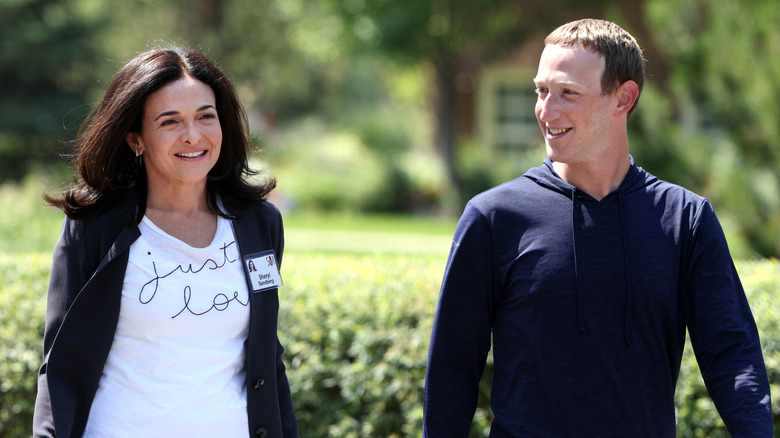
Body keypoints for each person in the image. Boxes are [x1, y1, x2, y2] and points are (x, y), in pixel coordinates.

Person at [423, 18, 771, 437]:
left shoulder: (685, 219)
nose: (546, 111)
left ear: (623, 98)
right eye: (541, 91)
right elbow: (452, 371)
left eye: (568, 93)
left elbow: (732, 355)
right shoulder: (494, 217)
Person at [33, 46, 299, 438]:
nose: (193, 136)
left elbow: (266, 360)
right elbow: (61, 365)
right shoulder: (94, 228)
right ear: (136, 138)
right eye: (169, 122)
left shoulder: (260, 224)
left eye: (205, 117)